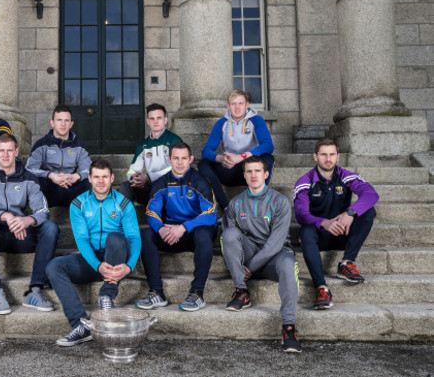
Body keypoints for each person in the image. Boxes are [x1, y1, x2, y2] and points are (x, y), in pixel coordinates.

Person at [46, 159, 141, 346]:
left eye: (105, 177)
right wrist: (97, 265)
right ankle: (81, 325)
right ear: (89, 178)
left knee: (116, 238)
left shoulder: (123, 204)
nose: (100, 181)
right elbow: (81, 240)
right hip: (92, 260)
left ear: (112, 178)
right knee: (54, 266)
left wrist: (129, 267)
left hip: (115, 259)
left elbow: (134, 238)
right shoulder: (79, 204)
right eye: (96, 177)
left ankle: (107, 295)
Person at [0, 133, 59, 315]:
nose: (5, 155)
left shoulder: (29, 178)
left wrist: (28, 220)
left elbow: (43, 211)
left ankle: (34, 291)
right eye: (1, 151)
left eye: (9, 150)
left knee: (50, 228)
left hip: (21, 234)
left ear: (16, 151)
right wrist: (5, 216)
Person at [221, 155, 301, 353]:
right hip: (249, 256)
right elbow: (231, 241)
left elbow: (275, 244)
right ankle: (241, 291)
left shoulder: (279, 202)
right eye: (249, 171)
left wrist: (250, 267)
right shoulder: (235, 204)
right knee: (229, 234)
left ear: (266, 174)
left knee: (289, 264)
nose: (253, 175)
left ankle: (289, 328)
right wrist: (242, 268)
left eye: (257, 171)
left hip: (275, 258)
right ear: (244, 176)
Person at [294, 138, 378, 310]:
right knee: (306, 231)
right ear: (315, 157)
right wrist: (323, 222)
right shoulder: (305, 181)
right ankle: (321, 288)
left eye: (332, 154)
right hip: (320, 236)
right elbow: (301, 214)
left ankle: (347, 263)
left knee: (369, 211)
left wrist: (350, 213)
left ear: (338, 156)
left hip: (343, 231)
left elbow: (371, 194)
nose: (328, 158)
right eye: (323, 154)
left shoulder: (345, 176)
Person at [135, 141, 217, 312]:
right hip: (170, 233)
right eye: (176, 158)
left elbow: (210, 214)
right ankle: (156, 292)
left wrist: (184, 227)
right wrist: (161, 229)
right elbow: (151, 212)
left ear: (190, 159)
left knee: (204, 233)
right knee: (146, 235)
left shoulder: (200, 181)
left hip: (194, 233)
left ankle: (197, 293)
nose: (180, 163)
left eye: (184, 158)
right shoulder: (161, 183)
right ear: (169, 159)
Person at [198, 89, 274, 211]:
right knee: (203, 163)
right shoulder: (221, 123)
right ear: (228, 106)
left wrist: (242, 156)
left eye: (241, 103)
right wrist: (221, 158)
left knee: (268, 158)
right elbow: (206, 151)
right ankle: (226, 207)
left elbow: (268, 146)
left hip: (250, 170)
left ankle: (258, 202)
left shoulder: (256, 120)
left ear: (247, 105)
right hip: (229, 169)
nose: (237, 108)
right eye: (233, 104)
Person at [26, 105, 91, 207]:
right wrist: (51, 176)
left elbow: (88, 170)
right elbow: (30, 169)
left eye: (66, 120)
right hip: (51, 189)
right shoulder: (41, 144)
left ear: (71, 124)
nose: (63, 124)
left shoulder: (80, 146)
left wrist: (76, 176)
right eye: (59, 120)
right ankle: (40, 216)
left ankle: (88, 216)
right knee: (36, 181)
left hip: (72, 188)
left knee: (91, 181)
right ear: (52, 123)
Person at [118, 103, 183, 205]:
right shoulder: (143, 146)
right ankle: (126, 219)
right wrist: (133, 177)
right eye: (152, 119)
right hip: (149, 188)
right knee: (125, 186)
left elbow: (177, 168)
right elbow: (133, 169)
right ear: (148, 122)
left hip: (169, 187)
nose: (155, 121)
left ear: (165, 120)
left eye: (159, 118)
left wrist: (149, 177)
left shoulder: (175, 141)